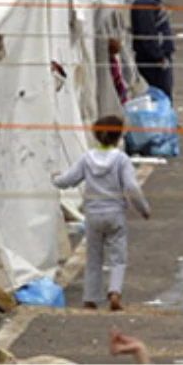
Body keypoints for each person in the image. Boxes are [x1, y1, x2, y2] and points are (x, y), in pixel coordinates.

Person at [52, 115, 151, 311]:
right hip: (115, 214)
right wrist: (143, 209)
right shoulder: (121, 160)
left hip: (93, 214)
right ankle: (114, 292)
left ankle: (90, 298)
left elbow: (68, 180)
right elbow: (131, 187)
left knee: (94, 258)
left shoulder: (87, 158)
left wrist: (54, 178)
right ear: (119, 136)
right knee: (118, 257)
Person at [131, 0, 175, 99]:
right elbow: (146, 33)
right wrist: (158, 57)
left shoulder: (151, 1)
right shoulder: (145, 2)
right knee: (158, 97)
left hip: (158, 61)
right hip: (153, 64)